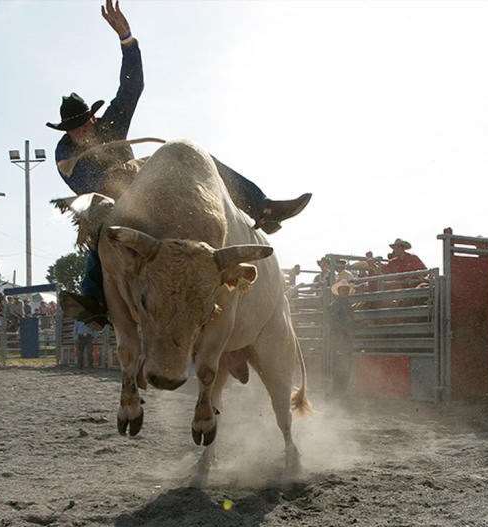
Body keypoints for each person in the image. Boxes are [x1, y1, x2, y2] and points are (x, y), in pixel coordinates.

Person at [49, 0, 311, 328]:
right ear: (67, 131)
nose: (82, 131)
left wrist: (127, 39)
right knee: (101, 223)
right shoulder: (64, 154)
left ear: (93, 116)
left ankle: (260, 208)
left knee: (201, 161)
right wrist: (117, 183)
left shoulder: (109, 124)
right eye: (75, 128)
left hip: (142, 185)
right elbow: (89, 186)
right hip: (115, 199)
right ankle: (95, 299)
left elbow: (132, 87)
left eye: (84, 123)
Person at [328, 280, 356, 394]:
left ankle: (341, 391)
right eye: (343, 290)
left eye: (347, 290)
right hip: (339, 339)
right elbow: (333, 323)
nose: (346, 292)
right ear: (339, 291)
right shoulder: (335, 305)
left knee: (344, 365)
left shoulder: (347, 304)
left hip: (345, 340)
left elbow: (349, 321)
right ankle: (338, 391)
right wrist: (347, 330)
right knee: (340, 365)